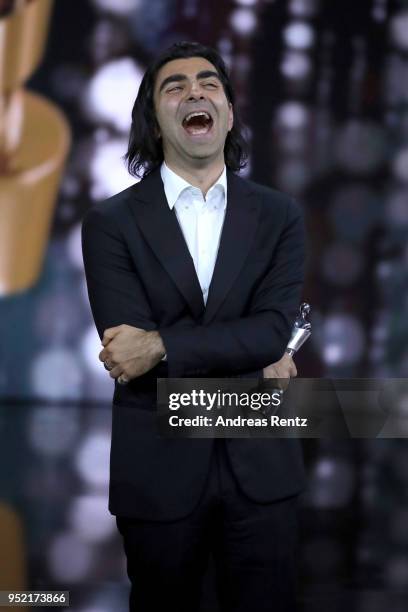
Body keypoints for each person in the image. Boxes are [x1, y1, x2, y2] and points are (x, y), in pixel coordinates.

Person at [81, 41, 305, 612]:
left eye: (209, 83)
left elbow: (269, 332)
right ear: (155, 121)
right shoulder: (110, 223)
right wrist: (252, 360)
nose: (194, 92)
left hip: (262, 473)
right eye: (173, 86)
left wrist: (162, 346)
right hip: (158, 473)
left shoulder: (281, 216)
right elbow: (126, 353)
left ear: (228, 112)